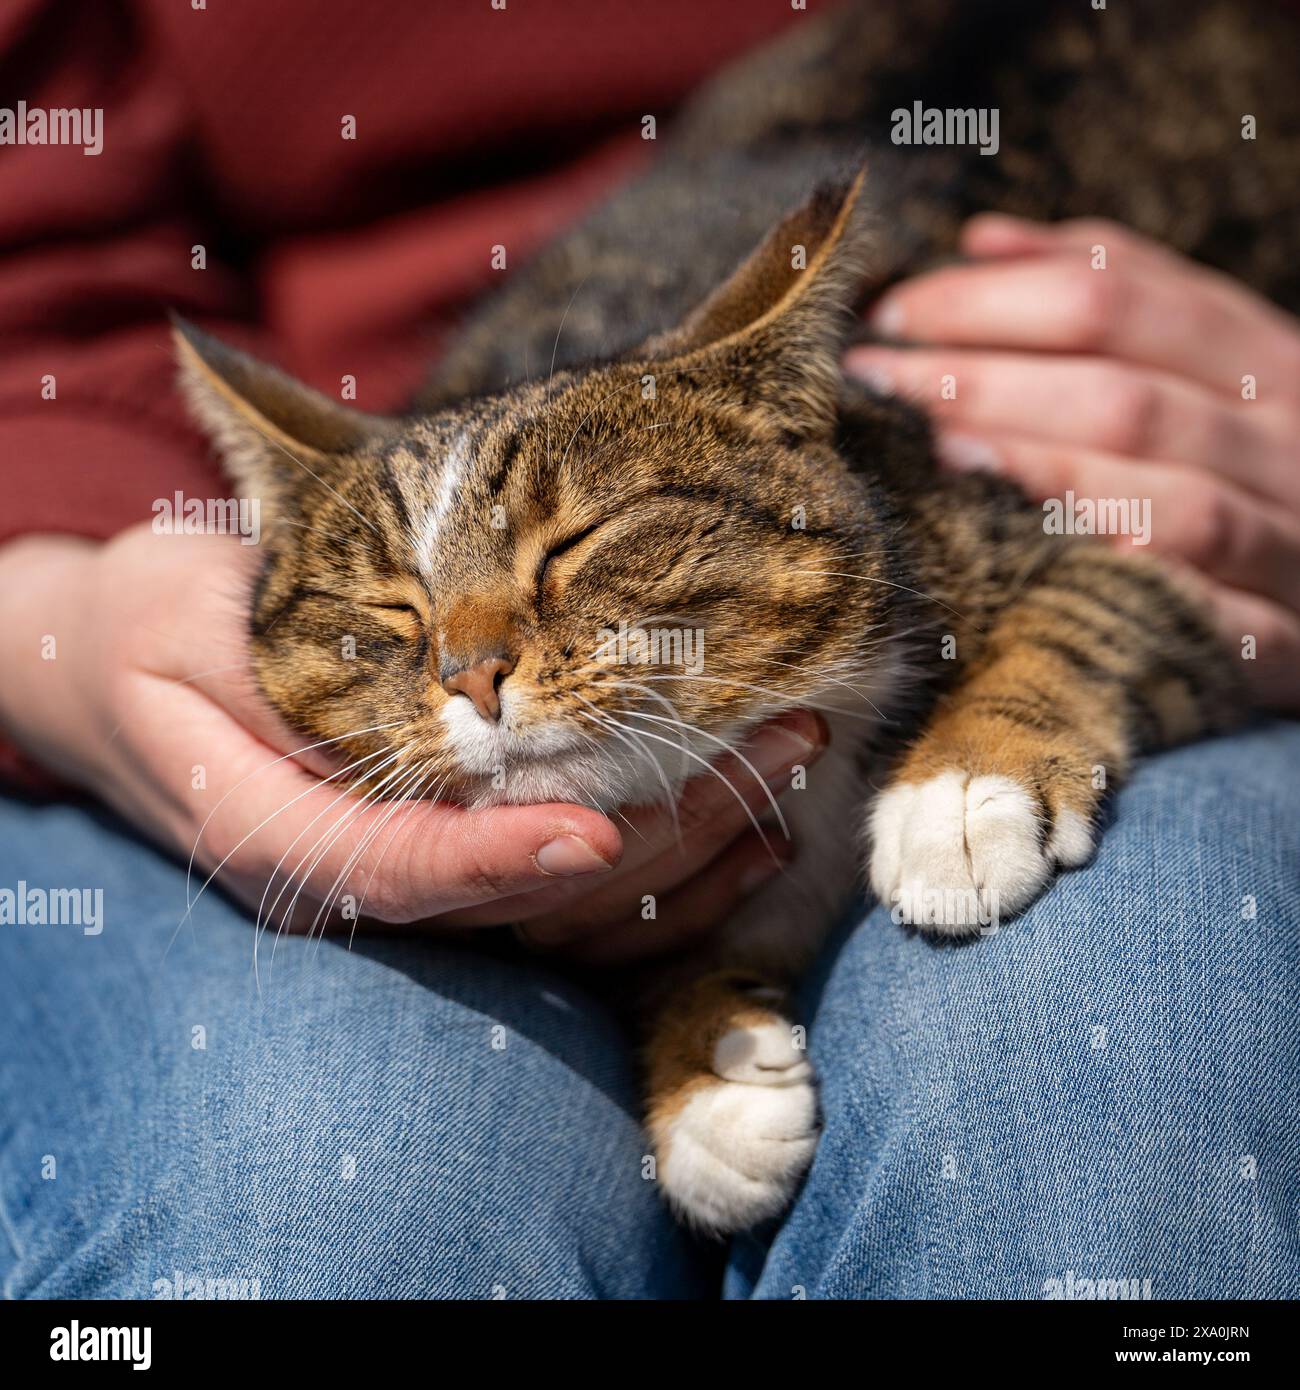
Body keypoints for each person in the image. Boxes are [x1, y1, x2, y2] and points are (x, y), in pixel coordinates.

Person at [1, 1, 1297, 1299]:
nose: (475, 678)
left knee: (1107, 1045)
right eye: (411, 633)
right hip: (213, 525)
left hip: (1068, 337)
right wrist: (69, 611)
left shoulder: (871, 511)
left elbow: (1090, 584)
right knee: (367, 1173)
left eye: (566, 568)